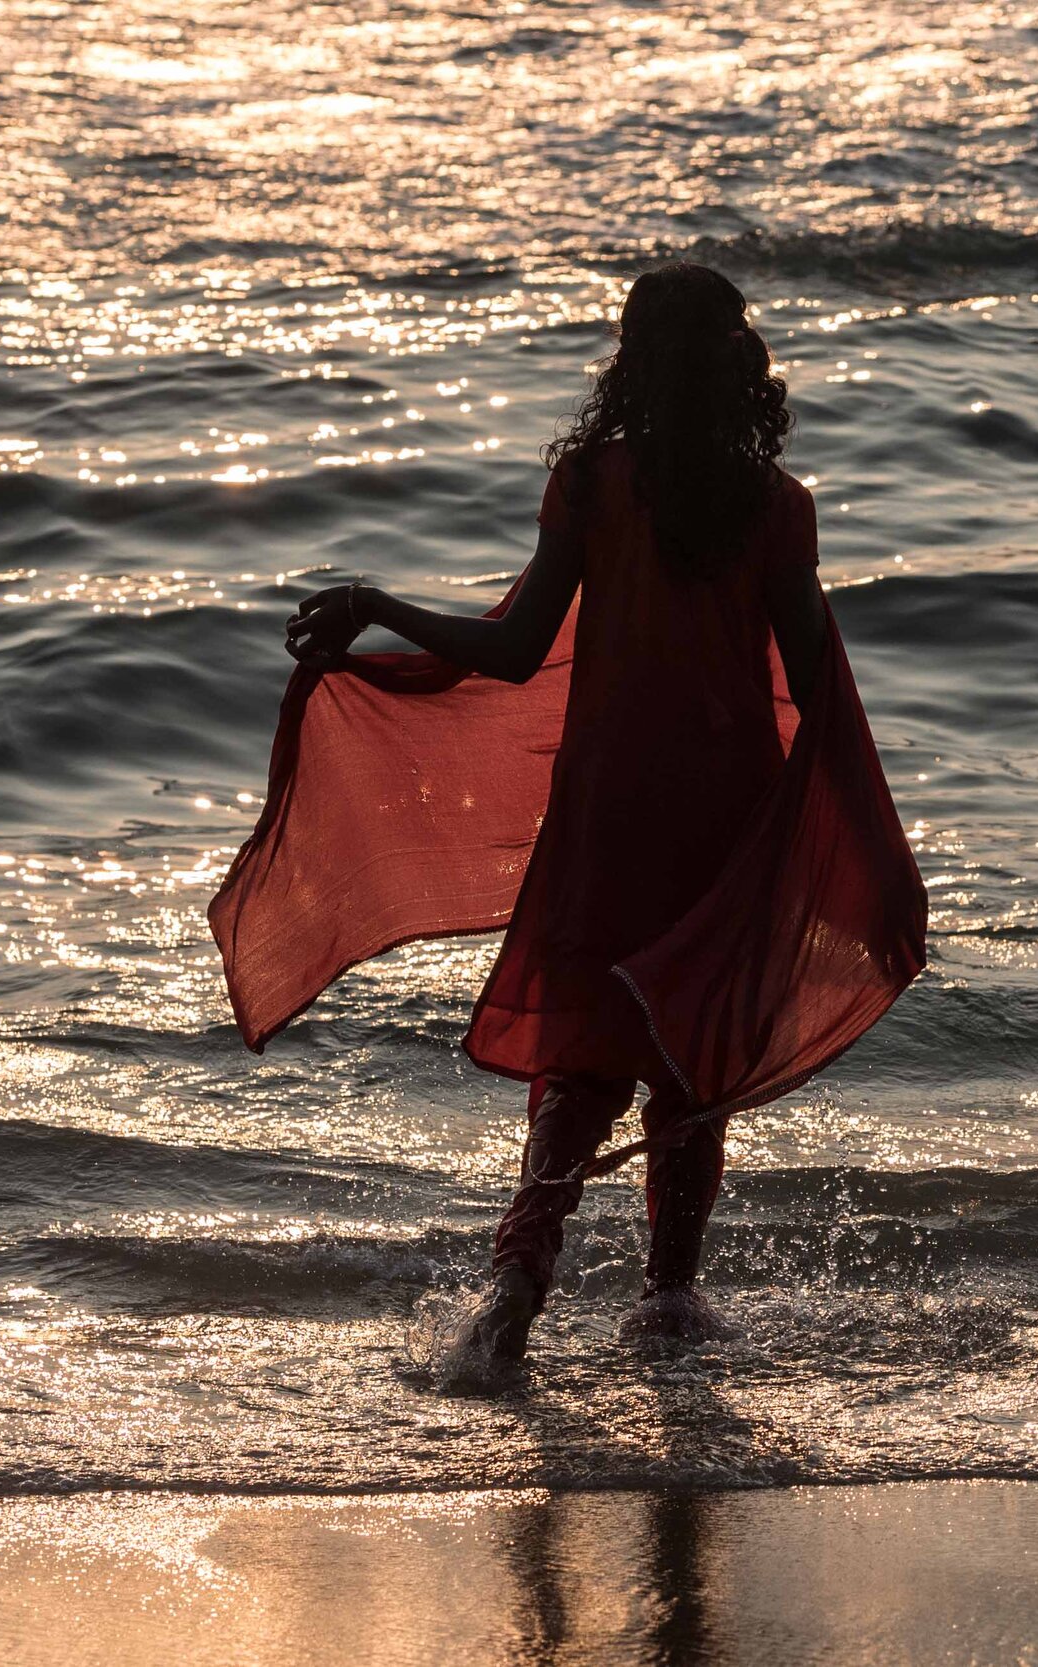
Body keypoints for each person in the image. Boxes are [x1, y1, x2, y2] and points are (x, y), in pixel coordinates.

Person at [280, 263, 838, 1375]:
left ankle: (517, 1275)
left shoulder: (594, 482)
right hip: (724, 817)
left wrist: (378, 607)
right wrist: (843, 840)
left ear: (630, 366)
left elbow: (515, 649)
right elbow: (824, 694)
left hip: (604, 809)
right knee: (691, 1063)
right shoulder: (775, 509)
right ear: (740, 364)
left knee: (582, 1057)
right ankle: (669, 1304)